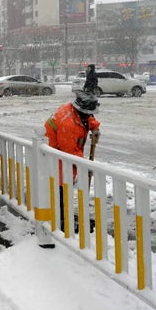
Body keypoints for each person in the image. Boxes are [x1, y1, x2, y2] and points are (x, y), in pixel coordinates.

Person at [44, 92, 101, 232]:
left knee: (64, 184)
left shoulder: (74, 109)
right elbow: (70, 153)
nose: (89, 115)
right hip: (55, 154)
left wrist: (95, 127)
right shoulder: (68, 124)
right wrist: (85, 166)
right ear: (80, 110)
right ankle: (61, 220)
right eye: (88, 113)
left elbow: (89, 118)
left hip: (61, 153)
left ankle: (63, 215)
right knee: (60, 186)